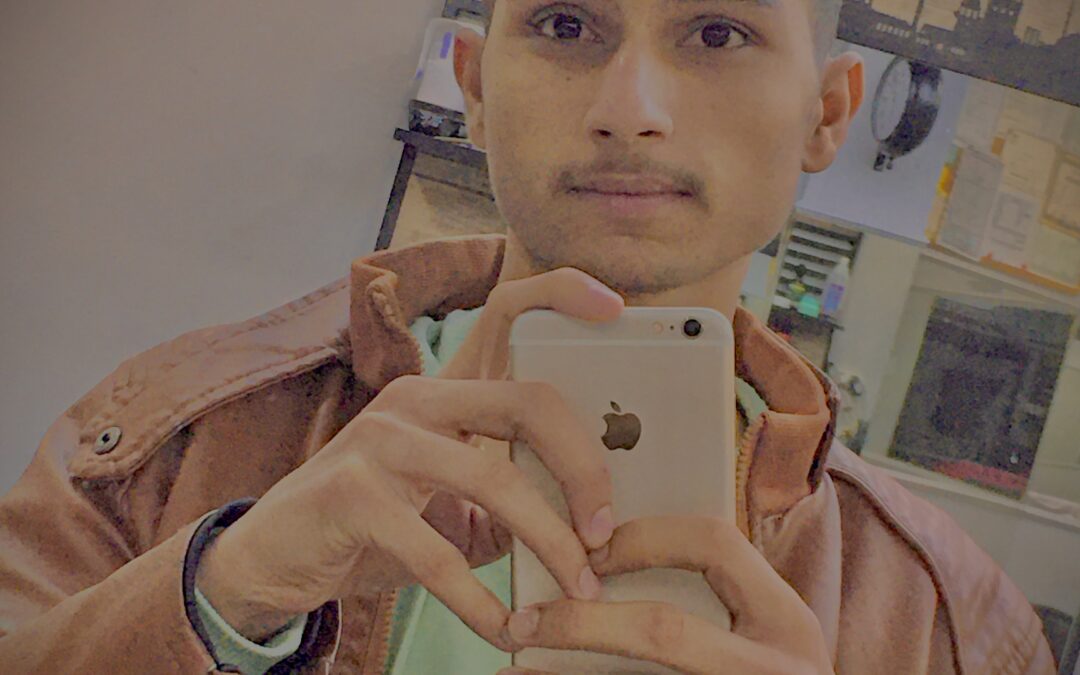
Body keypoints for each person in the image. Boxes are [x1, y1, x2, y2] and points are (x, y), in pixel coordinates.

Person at [0, 1, 1057, 673]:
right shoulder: (165, 441)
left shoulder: (950, 624)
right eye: (563, 24)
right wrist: (224, 598)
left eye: (717, 33)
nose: (630, 108)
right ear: (473, 86)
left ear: (826, 114)